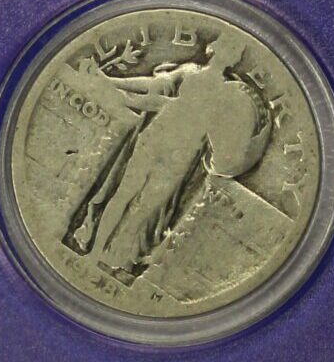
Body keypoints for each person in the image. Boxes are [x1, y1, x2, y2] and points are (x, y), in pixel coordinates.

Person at [61, 36, 270, 280]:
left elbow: (217, 132)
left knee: (143, 211)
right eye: (231, 45)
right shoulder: (190, 71)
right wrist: (108, 81)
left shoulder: (231, 94)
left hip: (181, 155)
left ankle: (112, 263)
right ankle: (94, 254)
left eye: (237, 50)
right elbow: (155, 87)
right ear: (214, 47)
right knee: (122, 196)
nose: (234, 52)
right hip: (155, 138)